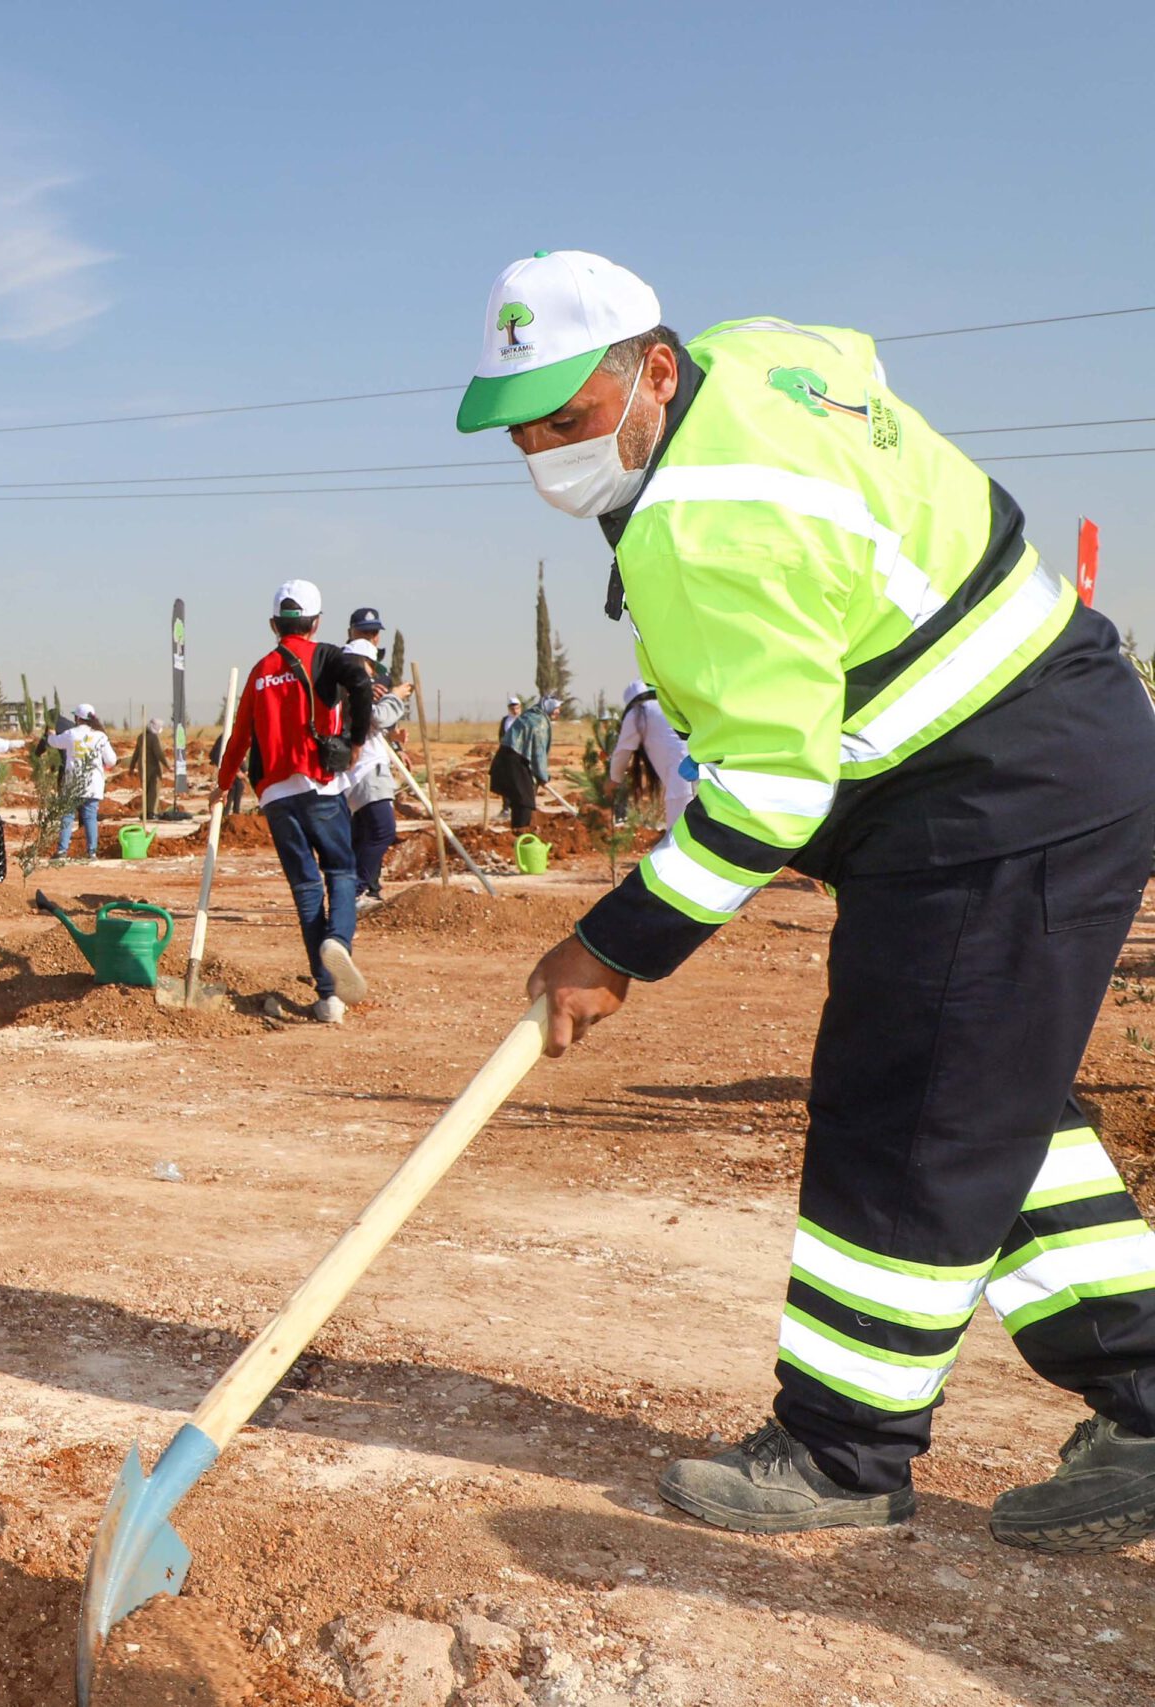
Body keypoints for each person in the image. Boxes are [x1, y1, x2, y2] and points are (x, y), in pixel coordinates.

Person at [459, 249, 1155, 1547]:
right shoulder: (755, 359)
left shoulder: (704, 527)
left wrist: (610, 946)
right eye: (522, 431)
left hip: (990, 791)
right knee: (979, 1098)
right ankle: (1148, 1393)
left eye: (568, 416)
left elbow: (770, 794)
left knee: (903, 1115)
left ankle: (844, 1454)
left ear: (653, 370)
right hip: (1046, 746)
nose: (547, 453)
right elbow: (851, 357)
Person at [215, 579, 375, 1023]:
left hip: (275, 797)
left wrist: (223, 784)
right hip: (319, 785)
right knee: (341, 870)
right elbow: (361, 684)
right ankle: (338, 941)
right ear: (316, 622)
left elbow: (240, 736)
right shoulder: (326, 655)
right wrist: (356, 742)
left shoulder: (261, 670)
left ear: (274, 624)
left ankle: (328, 998)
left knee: (306, 890)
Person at [340, 631, 408, 904]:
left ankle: (355, 891)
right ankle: (356, 890)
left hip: (357, 773)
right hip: (367, 771)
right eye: (370, 666)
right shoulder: (354, 689)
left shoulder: (339, 689)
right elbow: (378, 718)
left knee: (365, 834)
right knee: (383, 830)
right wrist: (395, 697)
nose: (373, 673)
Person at [606, 677, 693, 826]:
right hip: (701, 775)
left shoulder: (638, 712)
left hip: (681, 782)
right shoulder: (670, 706)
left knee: (679, 833)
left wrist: (613, 780)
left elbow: (622, 752)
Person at [46, 705, 118, 859]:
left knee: (67, 816)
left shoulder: (71, 734)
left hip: (72, 783)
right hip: (93, 784)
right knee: (90, 818)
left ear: (77, 718)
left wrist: (50, 733)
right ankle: (92, 852)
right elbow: (111, 760)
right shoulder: (100, 736)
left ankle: (62, 850)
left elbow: (53, 742)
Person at [491, 696, 553, 829]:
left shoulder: (529, 717)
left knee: (520, 799)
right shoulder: (539, 722)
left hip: (511, 760)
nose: (559, 711)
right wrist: (542, 776)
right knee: (525, 800)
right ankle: (521, 830)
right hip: (514, 760)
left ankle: (518, 830)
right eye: (557, 708)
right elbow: (538, 751)